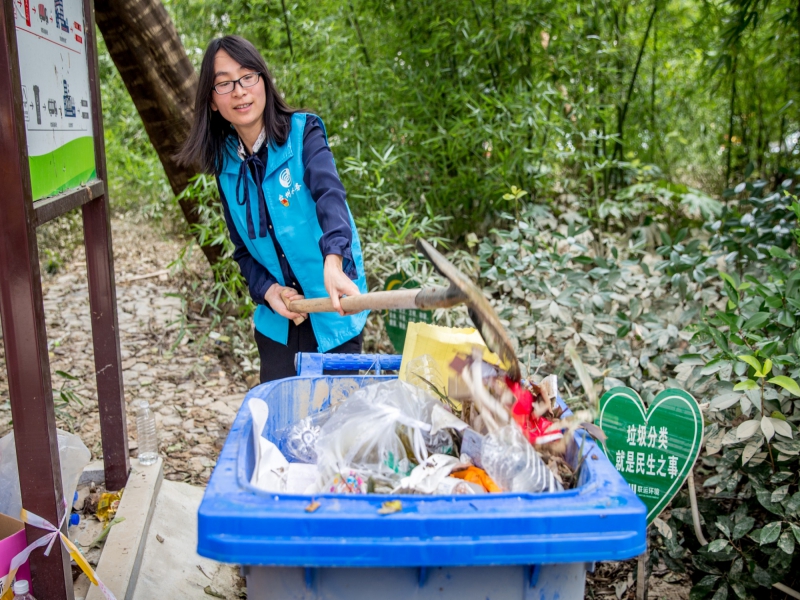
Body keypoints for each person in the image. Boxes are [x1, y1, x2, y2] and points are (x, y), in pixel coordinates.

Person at [177, 35, 367, 383]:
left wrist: (335, 261)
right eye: (224, 83)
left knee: (338, 429)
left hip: (333, 307)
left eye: (248, 76)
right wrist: (269, 291)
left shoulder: (303, 133)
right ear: (213, 102)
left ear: (264, 81)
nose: (239, 90)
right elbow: (243, 252)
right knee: (279, 426)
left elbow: (331, 197)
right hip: (279, 323)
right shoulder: (226, 166)